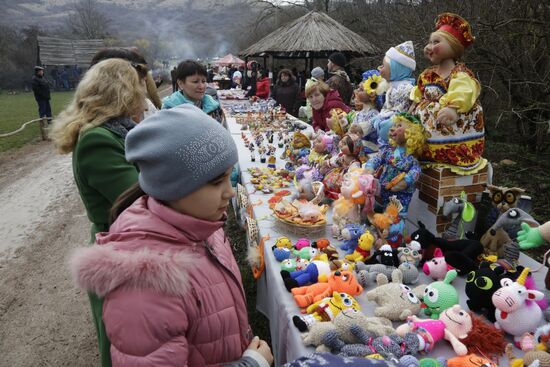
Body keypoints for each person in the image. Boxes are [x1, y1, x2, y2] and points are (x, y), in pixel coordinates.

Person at [70, 105, 274, 367]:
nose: (230, 192)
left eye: (228, 178)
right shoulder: (146, 282)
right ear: (174, 186)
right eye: (216, 182)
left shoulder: (201, 225)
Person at [50, 58, 146, 367]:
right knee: (119, 335)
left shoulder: (117, 131)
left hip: (129, 237)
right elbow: (138, 193)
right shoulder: (97, 139)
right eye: (137, 86)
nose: (142, 95)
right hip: (119, 241)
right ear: (121, 91)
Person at [410, 13, 486, 174]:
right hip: (426, 138)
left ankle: (453, 154)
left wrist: (453, 107)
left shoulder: (459, 74)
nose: (429, 47)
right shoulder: (427, 74)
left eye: (436, 42)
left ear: (454, 46)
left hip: (451, 136)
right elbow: (418, 95)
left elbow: (463, 92)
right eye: (429, 42)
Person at [371, 41, 416, 146]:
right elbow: (387, 107)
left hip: (397, 135)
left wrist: (386, 121)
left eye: (383, 66)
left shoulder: (407, 89)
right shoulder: (391, 87)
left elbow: (404, 111)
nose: (380, 70)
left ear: (396, 69)